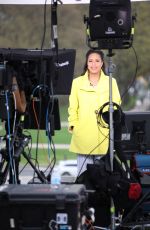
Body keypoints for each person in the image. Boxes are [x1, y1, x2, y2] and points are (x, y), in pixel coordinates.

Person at [68, 49, 121, 227]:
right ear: (86, 63)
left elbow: (117, 105)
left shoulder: (110, 82)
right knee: (83, 182)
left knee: (102, 183)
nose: (94, 64)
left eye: (97, 61)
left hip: (103, 137)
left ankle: (103, 220)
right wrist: (73, 125)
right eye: (90, 61)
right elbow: (72, 108)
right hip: (82, 136)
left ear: (102, 63)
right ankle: (82, 220)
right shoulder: (77, 82)